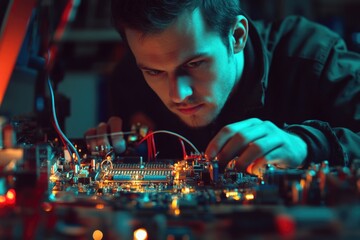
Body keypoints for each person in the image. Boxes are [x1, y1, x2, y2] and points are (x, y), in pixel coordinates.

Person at [86, 0, 360, 175]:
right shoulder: (129, 80)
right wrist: (120, 155)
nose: (178, 94)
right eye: (154, 72)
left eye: (194, 63)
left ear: (237, 36)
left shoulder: (311, 55)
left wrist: (308, 145)